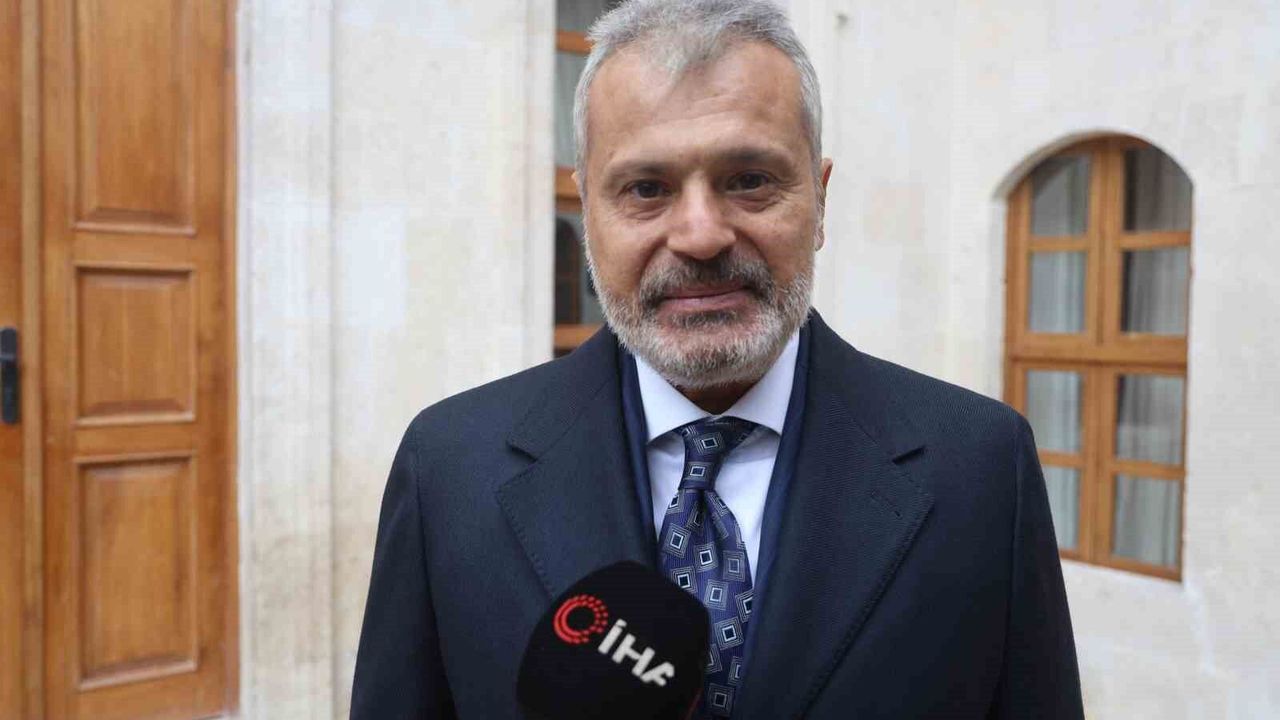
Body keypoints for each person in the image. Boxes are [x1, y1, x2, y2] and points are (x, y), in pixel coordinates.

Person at [350, 0, 1083, 718]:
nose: (700, 236)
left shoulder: (981, 468)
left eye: (750, 180)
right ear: (587, 212)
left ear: (820, 201)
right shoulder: (450, 468)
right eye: (646, 189)